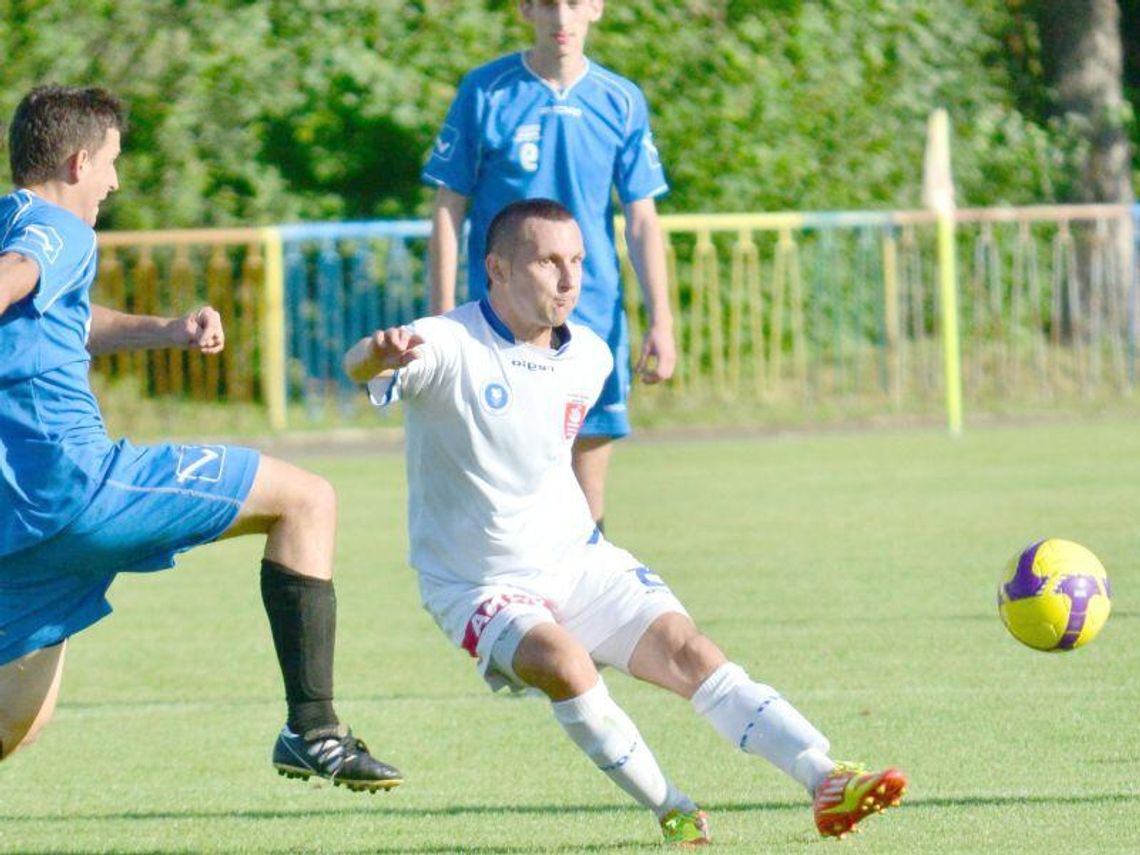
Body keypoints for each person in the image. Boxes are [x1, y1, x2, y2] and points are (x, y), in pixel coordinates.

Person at [344, 199, 906, 846]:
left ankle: (826, 779)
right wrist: (376, 354)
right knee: (564, 660)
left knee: (692, 652)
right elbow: (361, 364)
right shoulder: (447, 341)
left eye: (577, 261)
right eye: (548, 261)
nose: (569, 279)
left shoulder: (589, 355)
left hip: (577, 558)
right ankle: (671, 806)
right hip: (476, 582)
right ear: (497, 268)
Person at [0, 84, 402, 791]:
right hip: (82, 487)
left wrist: (168, 330)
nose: (115, 182)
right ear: (76, 162)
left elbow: (63, 317)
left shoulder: (12, 219)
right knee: (306, 499)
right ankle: (314, 730)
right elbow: (16, 277)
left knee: (13, 725)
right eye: (110, 162)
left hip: (22, 522)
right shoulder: (59, 228)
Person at [422, 0, 676, 533]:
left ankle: (587, 582)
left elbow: (642, 220)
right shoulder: (486, 91)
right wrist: (441, 317)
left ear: (596, 8)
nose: (561, 17)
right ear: (525, 9)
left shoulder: (620, 99)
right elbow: (449, 208)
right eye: (547, 4)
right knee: (505, 475)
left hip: (591, 311)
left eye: (574, 3)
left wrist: (662, 319)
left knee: (588, 483)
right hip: (502, 320)